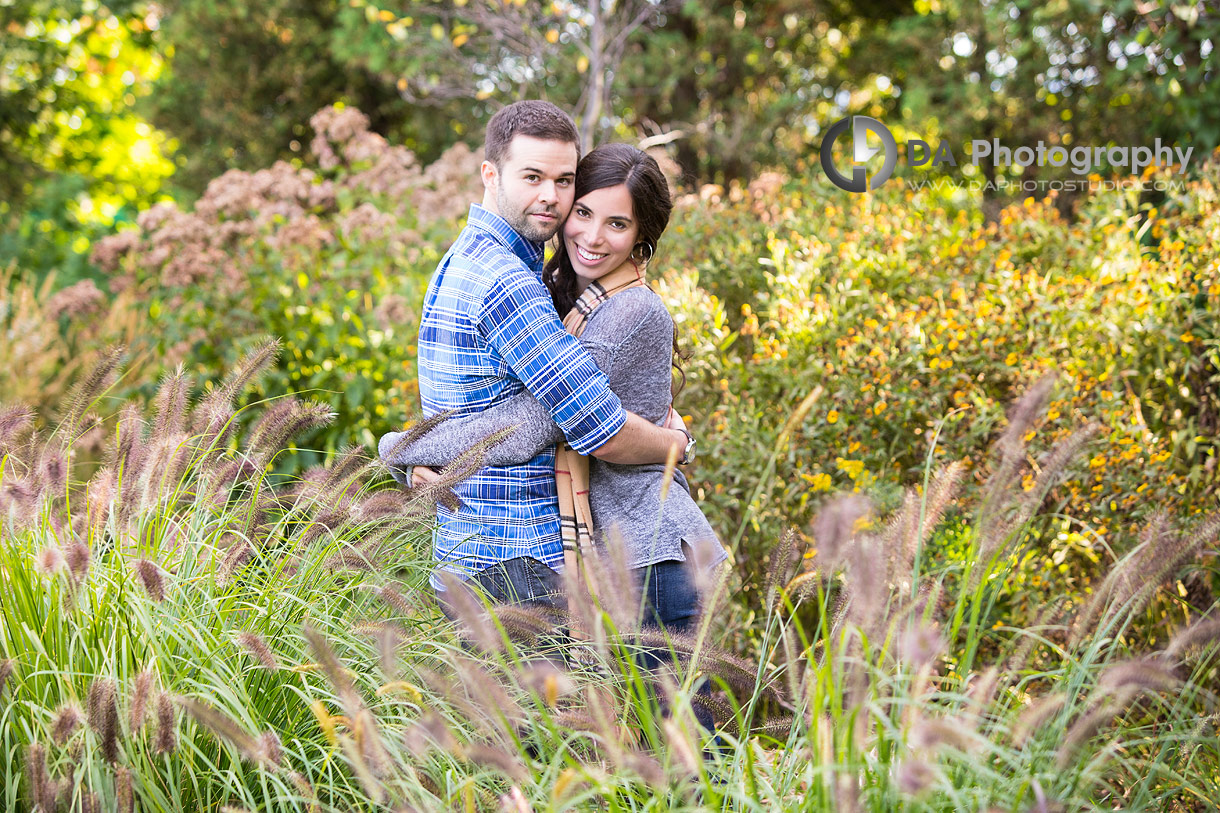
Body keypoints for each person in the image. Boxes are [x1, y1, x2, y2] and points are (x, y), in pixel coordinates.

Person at [382, 142, 729, 642]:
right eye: (583, 213)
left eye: (617, 224)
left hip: (653, 559)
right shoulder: (575, 301)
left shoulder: (631, 312)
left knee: (681, 722)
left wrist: (401, 447)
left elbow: (537, 421)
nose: (591, 236)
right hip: (616, 562)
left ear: (640, 239)